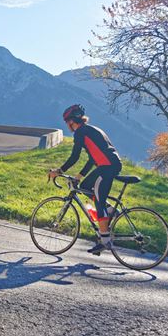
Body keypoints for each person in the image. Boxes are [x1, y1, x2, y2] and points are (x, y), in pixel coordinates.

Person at [48, 104, 122, 255]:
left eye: (66, 122)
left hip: (107, 167)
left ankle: (105, 240)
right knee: (86, 186)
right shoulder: (91, 129)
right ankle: (111, 211)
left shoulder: (80, 133)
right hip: (108, 165)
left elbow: (75, 157)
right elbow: (91, 159)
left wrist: (59, 171)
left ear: (70, 121)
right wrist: (79, 176)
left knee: (99, 202)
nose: (67, 125)